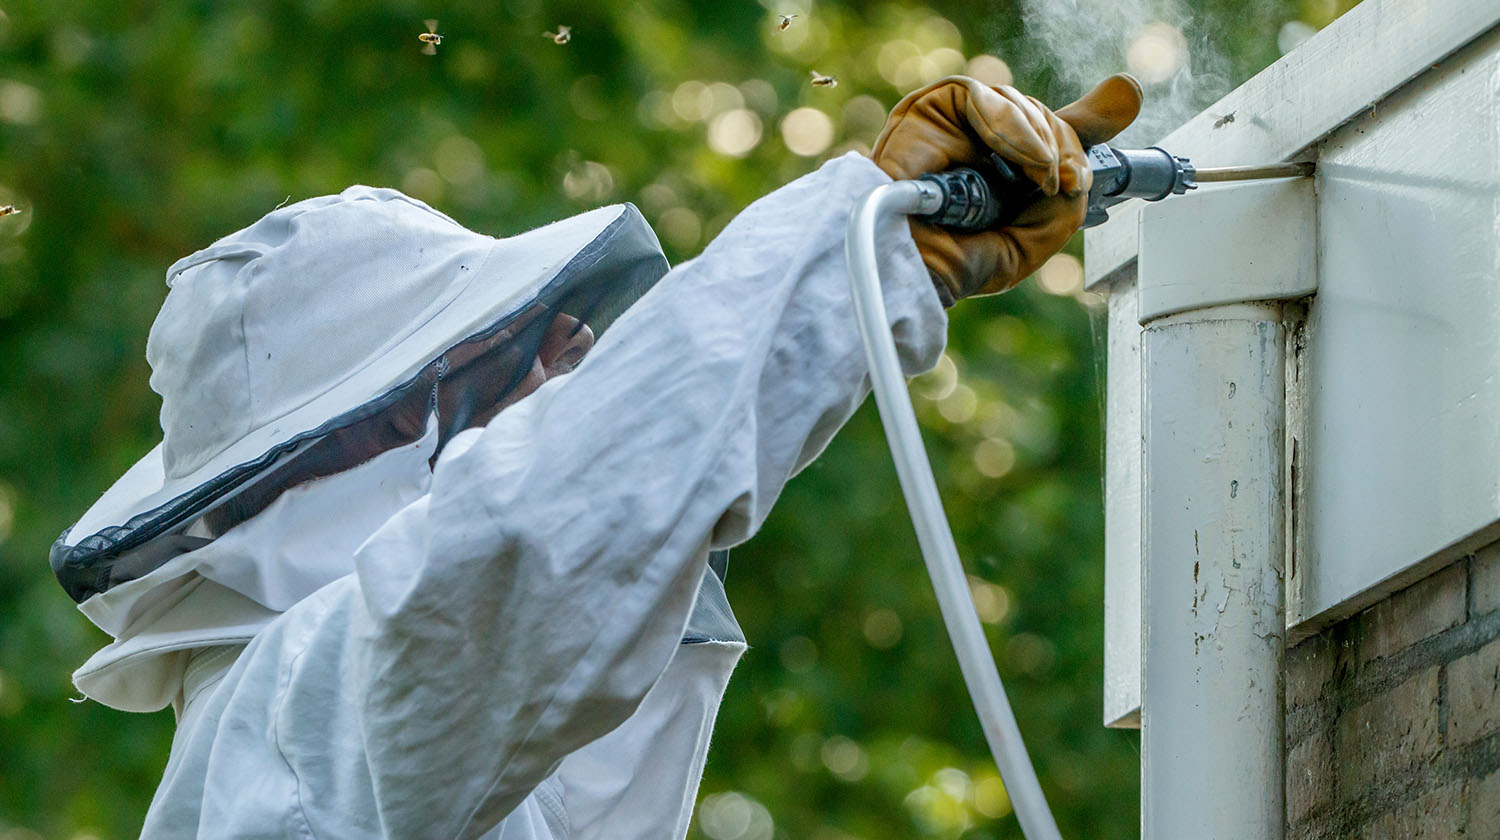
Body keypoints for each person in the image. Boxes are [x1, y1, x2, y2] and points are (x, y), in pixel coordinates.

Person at [52, 73, 1141, 839]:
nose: (576, 353)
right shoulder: (282, 740)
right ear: (378, 433)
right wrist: (871, 246)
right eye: (520, 346)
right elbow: (532, 534)